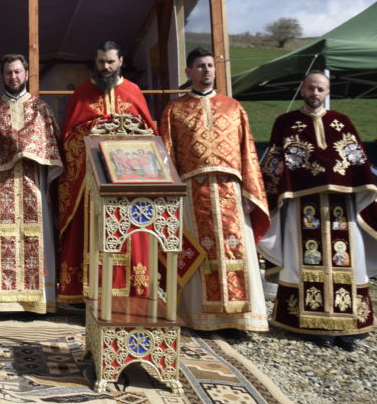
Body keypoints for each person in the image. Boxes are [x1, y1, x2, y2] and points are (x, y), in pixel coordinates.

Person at [259, 71, 377, 349]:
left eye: (320, 89)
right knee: (304, 260)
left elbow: (357, 160)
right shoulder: (286, 123)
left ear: (327, 92)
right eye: (311, 88)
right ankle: (310, 324)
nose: (315, 93)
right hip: (302, 207)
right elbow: (274, 161)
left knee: (347, 260)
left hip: (341, 207)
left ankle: (348, 327)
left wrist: (366, 186)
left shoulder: (342, 122)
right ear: (303, 90)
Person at [159, 47, 270, 333]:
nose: (206, 70)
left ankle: (240, 318)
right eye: (200, 66)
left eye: (210, 65)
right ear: (188, 72)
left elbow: (248, 152)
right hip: (192, 191)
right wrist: (170, 196)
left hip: (230, 190)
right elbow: (166, 155)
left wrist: (251, 192)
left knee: (236, 249)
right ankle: (199, 317)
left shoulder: (234, 107)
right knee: (199, 251)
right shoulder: (175, 109)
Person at [56, 40, 156, 304]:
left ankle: (132, 292)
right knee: (90, 233)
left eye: (111, 61)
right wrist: (97, 132)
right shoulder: (82, 92)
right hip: (91, 182)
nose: (106, 67)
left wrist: (126, 136)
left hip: (127, 184)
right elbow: (69, 138)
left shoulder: (134, 91)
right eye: (101, 62)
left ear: (121, 61)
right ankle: (86, 293)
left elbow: (149, 136)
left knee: (129, 234)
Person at [0, 54, 62, 314]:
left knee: (37, 238)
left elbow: (53, 149)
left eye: (18, 72)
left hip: (34, 184)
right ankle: (1, 302)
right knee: (0, 240)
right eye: (9, 73)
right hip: (1, 188)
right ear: (3, 76)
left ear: (27, 73)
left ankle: (36, 302)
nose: (14, 77)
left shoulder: (41, 110)